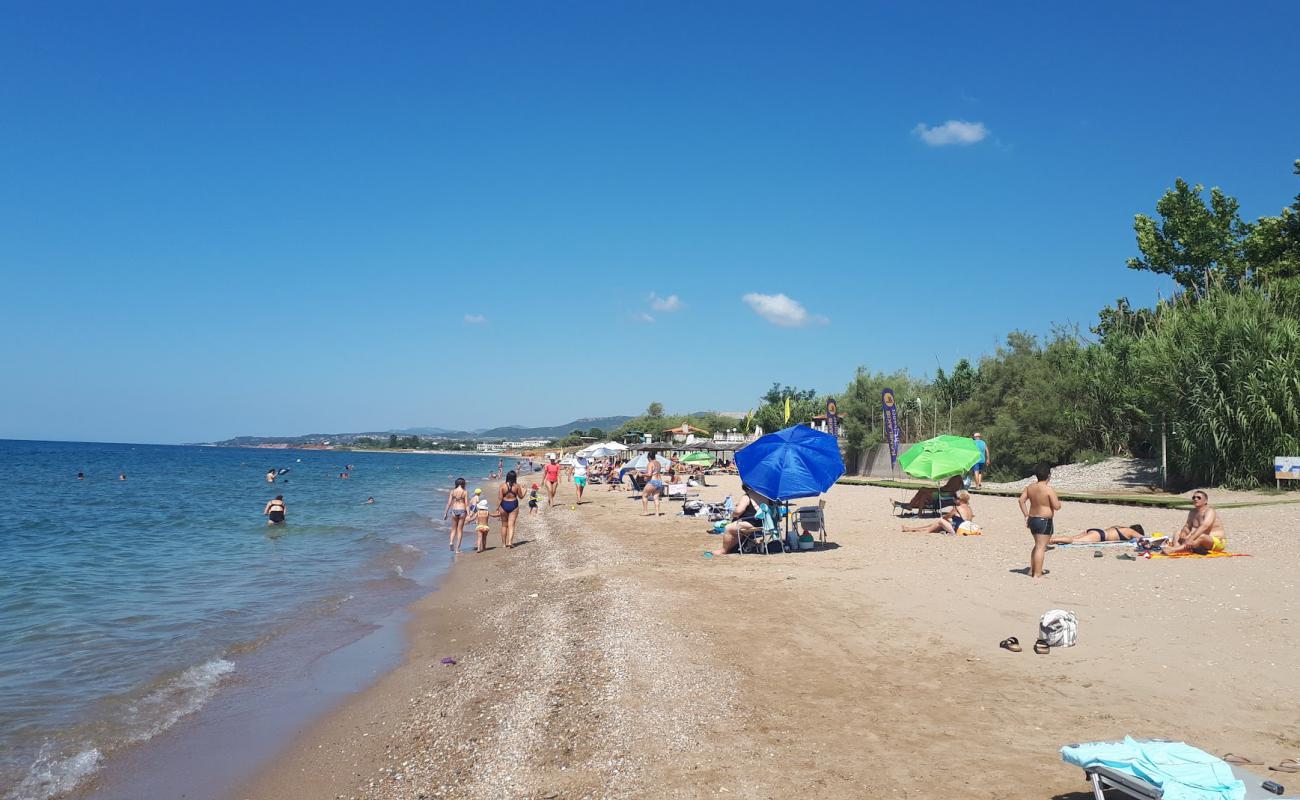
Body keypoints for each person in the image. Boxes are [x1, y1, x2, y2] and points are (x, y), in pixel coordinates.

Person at [1018, 465, 1061, 578]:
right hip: (1044, 520)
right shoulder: (1048, 489)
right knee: (1041, 547)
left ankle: (1032, 569)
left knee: (1037, 545)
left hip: (1032, 518)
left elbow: (1021, 500)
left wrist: (1026, 515)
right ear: (1049, 476)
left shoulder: (1030, 487)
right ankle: (1037, 573)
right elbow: (1057, 506)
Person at [710, 485, 768, 556]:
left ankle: (724, 550)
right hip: (765, 523)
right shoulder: (766, 496)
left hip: (751, 522)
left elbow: (738, 511)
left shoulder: (747, 497)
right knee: (736, 528)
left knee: (728, 528)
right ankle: (736, 547)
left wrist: (732, 514)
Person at [902, 490, 977, 535]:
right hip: (968, 529)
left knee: (941, 521)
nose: (954, 499)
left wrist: (945, 519)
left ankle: (922, 530)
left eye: (956, 498)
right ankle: (913, 529)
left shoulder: (957, 507)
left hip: (960, 530)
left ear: (961, 500)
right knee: (940, 525)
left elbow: (946, 517)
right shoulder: (969, 508)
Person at [498, 470, 524, 549]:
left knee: (504, 525)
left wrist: (497, 508)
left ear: (507, 477)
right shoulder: (517, 486)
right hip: (513, 505)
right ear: (515, 477)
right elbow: (521, 497)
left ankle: (503, 544)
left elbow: (500, 498)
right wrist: (525, 490)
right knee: (511, 525)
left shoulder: (502, 486)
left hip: (504, 505)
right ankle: (510, 542)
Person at [1051, 523, 1144, 545]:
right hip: (1099, 536)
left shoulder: (1121, 528)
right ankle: (1051, 540)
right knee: (1074, 541)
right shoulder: (1130, 532)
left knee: (1071, 538)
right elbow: (1143, 538)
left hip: (1096, 531)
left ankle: (1051, 539)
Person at [443, 477, 470, 552]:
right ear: (463, 483)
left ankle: (451, 542)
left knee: (453, 529)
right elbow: (467, 504)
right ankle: (457, 549)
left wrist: (445, 513)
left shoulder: (452, 491)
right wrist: (469, 514)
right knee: (460, 530)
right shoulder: (465, 492)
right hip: (462, 510)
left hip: (454, 511)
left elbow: (448, 503)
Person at [640, 451, 664, 516]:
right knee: (656, 497)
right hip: (659, 481)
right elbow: (655, 472)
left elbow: (649, 474)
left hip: (653, 481)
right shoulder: (658, 463)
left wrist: (642, 475)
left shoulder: (650, 463)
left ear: (649, 457)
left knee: (644, 495)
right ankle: (657, 513)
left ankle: (645, 512)